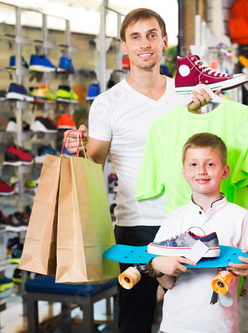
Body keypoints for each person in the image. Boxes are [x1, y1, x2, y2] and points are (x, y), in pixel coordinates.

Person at [63, 8, 215, 333]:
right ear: (124, 46)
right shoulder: (107, 103)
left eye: (151, 35)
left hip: (188, 221)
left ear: (164, 42)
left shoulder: (189, 95)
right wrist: (78, 150)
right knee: (135, 320)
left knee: (198, 315)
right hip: (135, 226)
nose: (144, 44)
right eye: (135, 37)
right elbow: (95, 166)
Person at [149, 132, 248, 333]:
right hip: (176, 326)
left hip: (221, 327)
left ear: (225, 171)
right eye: (193, 165)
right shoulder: (174, 219)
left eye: (210, 164)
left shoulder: (241, 217)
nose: (201, 171)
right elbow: (168, 283)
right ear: (184, 172)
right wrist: (157, 266)